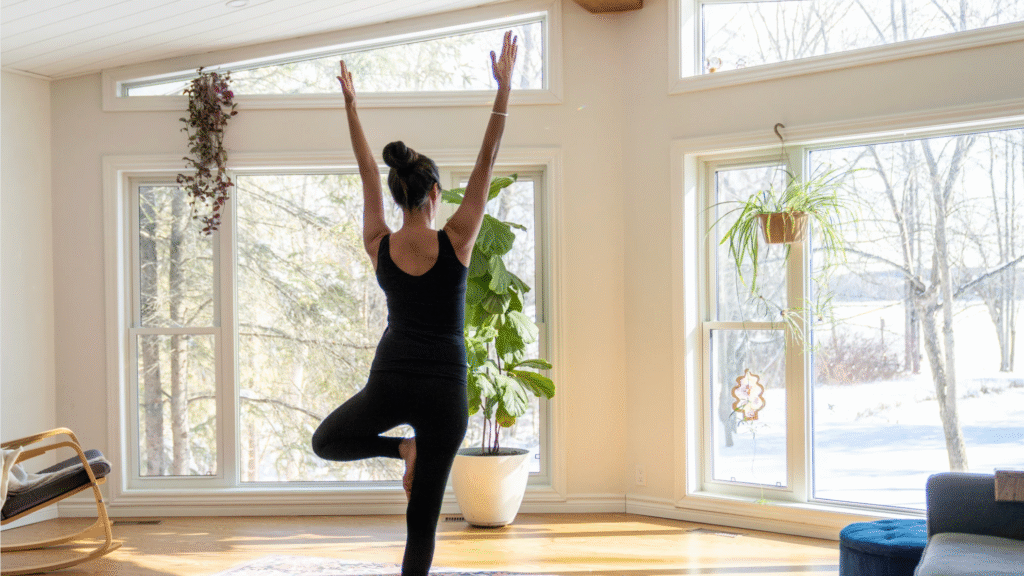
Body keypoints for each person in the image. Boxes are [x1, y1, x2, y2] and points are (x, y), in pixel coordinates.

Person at [311, 31, 518, 576]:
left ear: (399, 195)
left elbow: (364, 171)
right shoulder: (458, 238)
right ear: (433, 195)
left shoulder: (379, 241)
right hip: (446, 391)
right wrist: (503, 91)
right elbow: (487, 163)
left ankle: (401, 450)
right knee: (421, 524)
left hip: (393, 379)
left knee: (327, 441)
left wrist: (352, 109)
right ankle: (409, 452)